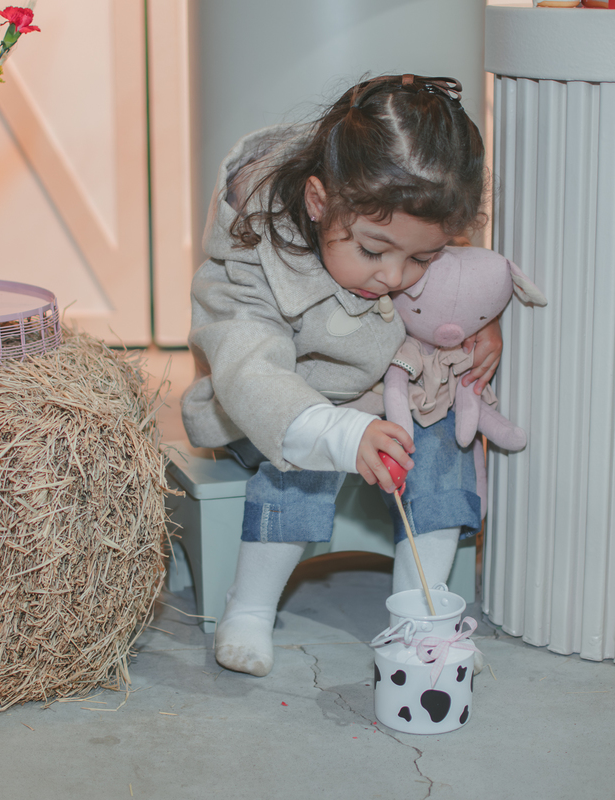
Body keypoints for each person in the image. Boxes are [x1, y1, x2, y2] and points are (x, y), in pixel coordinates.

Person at [182, 74, 501, 677]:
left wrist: (482, 322)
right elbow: (250, 370)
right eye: (374, 250)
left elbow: (468, 284)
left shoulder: (399, 235)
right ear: (318, 201)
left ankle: (421, 620)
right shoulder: (251, 257)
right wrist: (340, 434)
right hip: (277, 412)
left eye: (422, 258)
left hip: (387, 398)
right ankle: (248, 609)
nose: (394, 276)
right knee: (303, 463)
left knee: (439, 449)